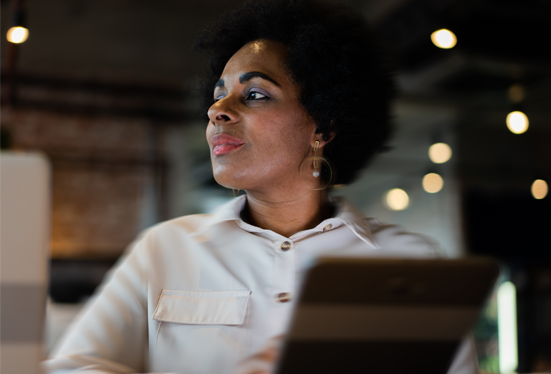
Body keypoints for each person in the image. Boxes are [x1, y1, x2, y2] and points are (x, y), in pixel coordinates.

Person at [44, 0, 479, 373]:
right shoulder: (163, 250)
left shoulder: (413, 263)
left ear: (323, 126)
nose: (218, 110)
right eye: (218, 95)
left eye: (255, 94)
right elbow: (74, 366)